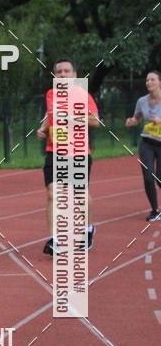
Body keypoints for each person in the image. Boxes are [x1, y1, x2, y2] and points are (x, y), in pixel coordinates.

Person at [36, 58, 100, 255]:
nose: (63, 75)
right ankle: (56, 240)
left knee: (80, 196)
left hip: (78, 152)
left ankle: (88, 229)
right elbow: (51, 114)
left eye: (67, 71)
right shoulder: (50, 94)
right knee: (52, 194)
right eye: (59, 72)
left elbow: (96, 121)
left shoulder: (83, 95)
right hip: (55, 151)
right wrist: (43, 127)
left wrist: (72, 118)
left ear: (75, 75)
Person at [125, 70, 161, 220]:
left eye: (152, 80)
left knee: (159, 177)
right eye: (147, 80)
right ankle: (155, 210)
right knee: (148, 177)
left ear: (159, 82)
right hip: (147, 142)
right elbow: (138, 117)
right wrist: (132, 121)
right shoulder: (141, 101)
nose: (149, 83)